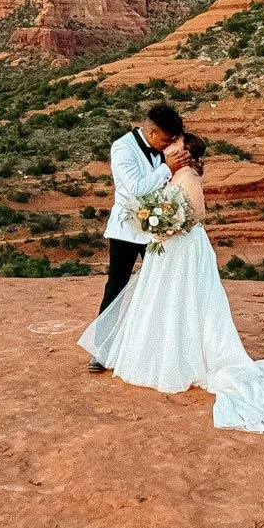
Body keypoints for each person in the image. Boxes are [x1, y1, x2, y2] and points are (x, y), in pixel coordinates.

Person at [80, 132, 264, 436]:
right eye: (169, 142)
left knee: (184, 299)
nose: (170, 146)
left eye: (176, 144)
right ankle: (160, 348)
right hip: (168, 245)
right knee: (166, 298)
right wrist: (159, 221)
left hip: (181, 245)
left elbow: (198, 214)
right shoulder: (171, 171)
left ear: (186, 153)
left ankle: (180, 354)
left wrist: (169, 224)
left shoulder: (188, 176)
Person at [88, 103, 189, 372]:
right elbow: (135, 190)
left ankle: (157, 349)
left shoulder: (163, 148)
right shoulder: (122, 148)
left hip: (157, 231)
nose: (167, 145)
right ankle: (101, 350)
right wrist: (167, 168)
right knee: (116, 287)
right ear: (152, 132)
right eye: (166, 140)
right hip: (126, 231)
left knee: (161, 286)